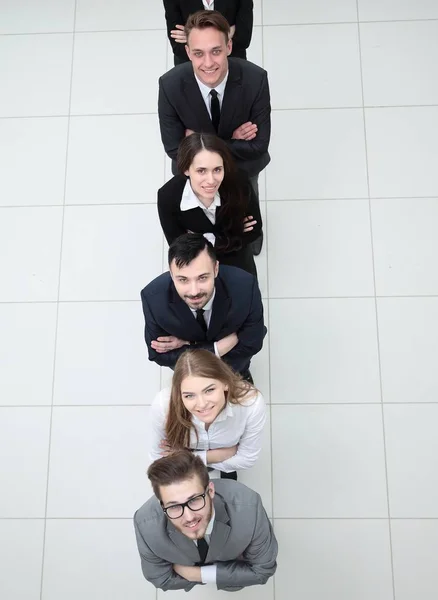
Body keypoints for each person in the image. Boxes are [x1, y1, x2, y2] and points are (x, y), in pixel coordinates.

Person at [158, 9, 271, 255]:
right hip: (197, 170)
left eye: (216, 51)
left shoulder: (255, 79)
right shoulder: (170, 85)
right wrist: (232, 141)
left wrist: (199, 142)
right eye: (198, 53)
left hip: (243, 168)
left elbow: (259, 145)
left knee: (246, 212)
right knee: (203, 208)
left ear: (229, 46)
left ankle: (249, 243)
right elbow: (173, 149)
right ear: (187, 52)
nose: (208, 63)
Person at [134, 449, 277, 591]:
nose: (189, 517)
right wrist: (230, 573)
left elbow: (262, 571)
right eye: (174, 506)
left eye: (195, 500)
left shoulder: (249, 508)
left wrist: (197, 574)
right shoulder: (145, 524)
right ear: (162, 505)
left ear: (211, 491)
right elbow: (161, 580)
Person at [140, 233, 266, 379]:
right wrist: (216, 348)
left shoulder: (244, 287)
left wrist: (187, 345)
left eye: (202, 278)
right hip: (191, 375)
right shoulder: (153, 299)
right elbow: (158, 355)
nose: (194, 292)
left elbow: (252, 343)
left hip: (233, 368)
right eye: (183, 280)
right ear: (171, 274)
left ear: (216, 269)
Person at [150, 349, 266, 481]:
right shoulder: (163, 405)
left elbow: (247, 459)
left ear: (225, 383)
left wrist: (185, 457)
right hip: (192, 469)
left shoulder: (251, 402)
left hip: (209, 464)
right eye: (189, 395)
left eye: (209, 390)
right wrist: (220, 455)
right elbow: (158, 461)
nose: (202, 404)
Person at [158, 132, 262, 277]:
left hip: (239, 263)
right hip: (198, 267)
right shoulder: (168, 196)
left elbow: (255, 230)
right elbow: (178, 247)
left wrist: (201, 240)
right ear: (186, 169)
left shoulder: (240, 182)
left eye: (217, 170)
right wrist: (233, 235)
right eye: (201, 171)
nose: (211, 180)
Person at [163, 0, 254, 66]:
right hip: (189, 66)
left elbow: (243, 39)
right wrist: (226, 33)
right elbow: (178, 47)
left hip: (232, 63)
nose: (209, 64)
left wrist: (193, 37)